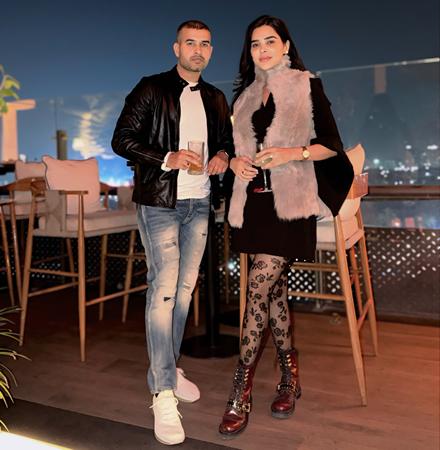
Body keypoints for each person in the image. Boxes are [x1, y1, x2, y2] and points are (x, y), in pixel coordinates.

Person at [219, 15, 354, 438]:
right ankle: (289, 376)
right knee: (273, 292)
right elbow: (234, 148)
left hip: (291, 204)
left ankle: (239, 390)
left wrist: (291, 152)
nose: (262, 49)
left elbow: (331, 145)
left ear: (286, 46)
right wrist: (236, 162)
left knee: (257, 286)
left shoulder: (305, 85)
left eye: (270, 41)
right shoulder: (243, 97)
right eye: (255, 43)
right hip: (255, 205)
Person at [112, 19, 233, 446]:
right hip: (160, 202)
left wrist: (222, 156)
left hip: (200, 203)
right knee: (164, 290)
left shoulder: (216, 97)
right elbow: (121, 139)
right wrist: (167, 157)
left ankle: (168, 367)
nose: (198, 50)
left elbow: (226, 142)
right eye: (190, 43)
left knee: (183, 292)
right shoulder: (151, 88)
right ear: (176, 48)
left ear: (211, 51)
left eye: (205, 44)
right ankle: (163, 391)